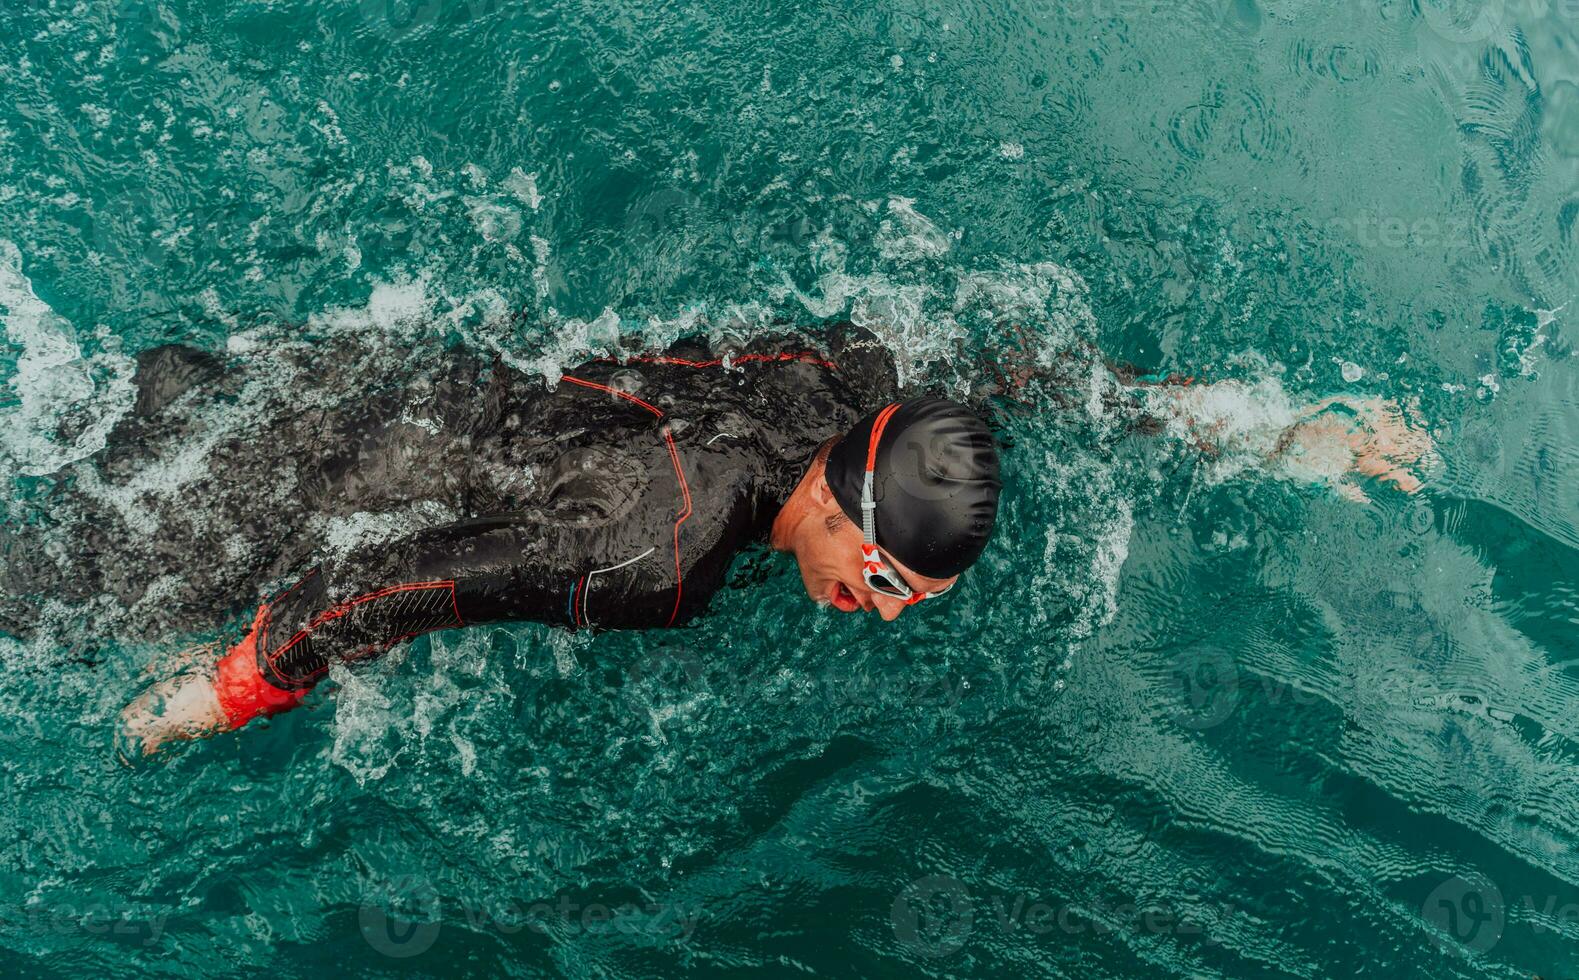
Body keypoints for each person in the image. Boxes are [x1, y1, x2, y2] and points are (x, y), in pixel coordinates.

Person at [76, 320, 1428, 758]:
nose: (889, 607)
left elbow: (1022, 370)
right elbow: (387, 584)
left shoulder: (851, 381)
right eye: (887, 574)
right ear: (838, 504)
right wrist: (224, 693)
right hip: (238, 504)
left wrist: (1252, 428)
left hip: (342, 377)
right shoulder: (657, 563)